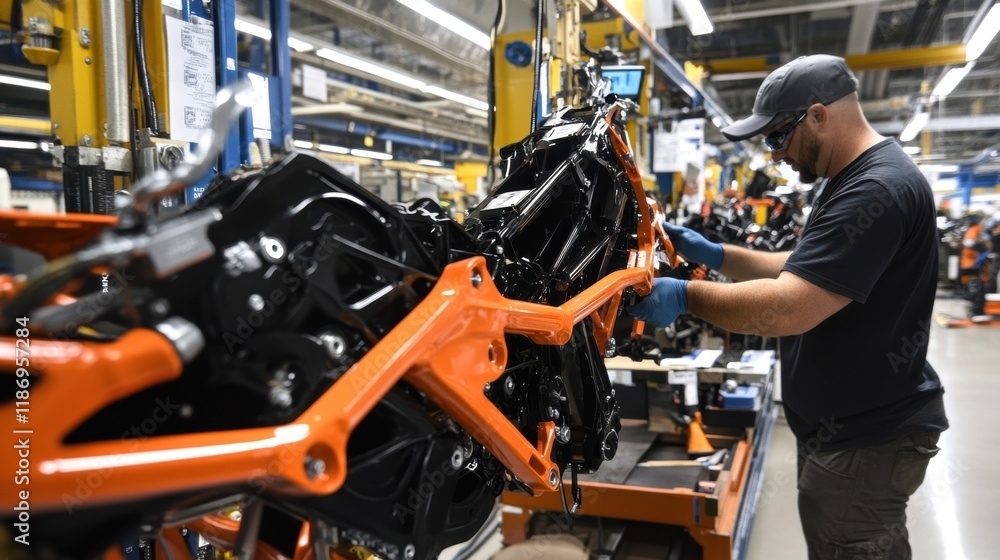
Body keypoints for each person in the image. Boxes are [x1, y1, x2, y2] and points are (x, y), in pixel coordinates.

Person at [629, 54, 948, 559]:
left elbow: (788, 308)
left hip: (865, 438)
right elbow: (805, 267)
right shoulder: (850, 177)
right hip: (846, 427)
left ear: (819, 116)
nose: (774, 155)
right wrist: (716, 254)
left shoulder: (875, 189)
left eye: (778, 137)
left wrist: (686, 296)